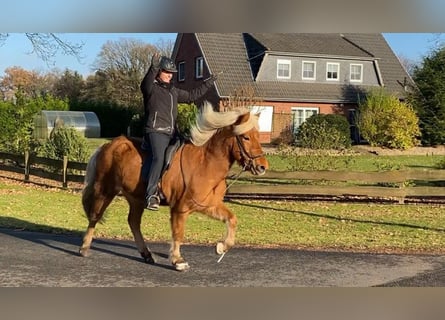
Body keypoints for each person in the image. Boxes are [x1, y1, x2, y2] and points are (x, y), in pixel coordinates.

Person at [140, 53, 216, 210]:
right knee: (159, 157)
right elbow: (145, 83)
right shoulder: (151, 89)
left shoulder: (173, 91)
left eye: (171, 73)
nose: (169, 76)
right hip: (155, 130)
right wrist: (153, 67)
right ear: (159, 72)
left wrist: (208, 83)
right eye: (166, 72)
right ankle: (151, 195)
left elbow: (191, 96)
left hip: (172, 132)